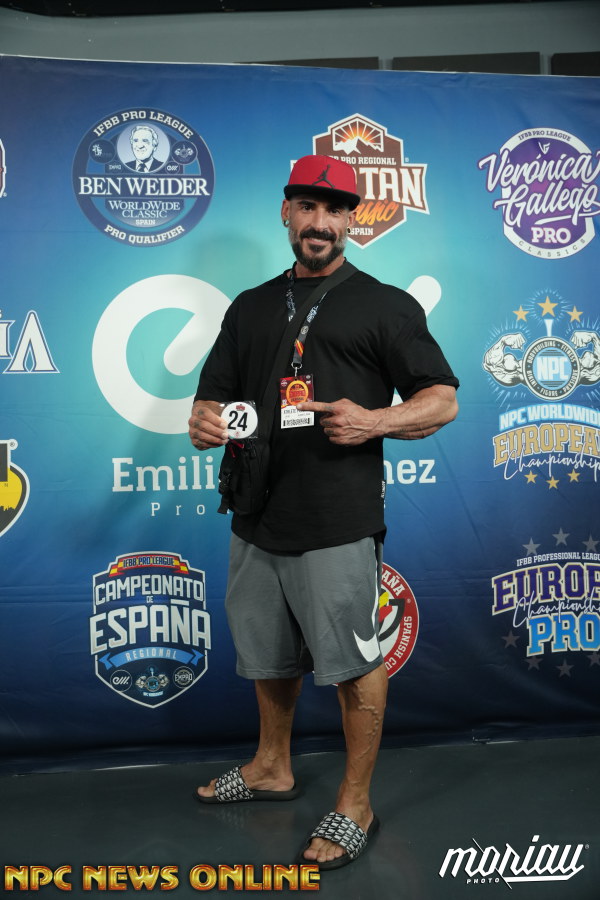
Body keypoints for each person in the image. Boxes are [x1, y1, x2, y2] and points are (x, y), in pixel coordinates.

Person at [188, 154, 459, 870]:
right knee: (268, 654)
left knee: (352, 663)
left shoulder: (384, 305)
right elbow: (211, 396)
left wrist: (374, 420)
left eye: (334, 209)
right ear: (286, 212)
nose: (319, 222)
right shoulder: (249, 306)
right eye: (307, 206)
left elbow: (441, 400)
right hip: (254, 511)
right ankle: (271, 766)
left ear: (350, 220)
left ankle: (356, 804)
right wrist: (204, 420)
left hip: (336, 518)